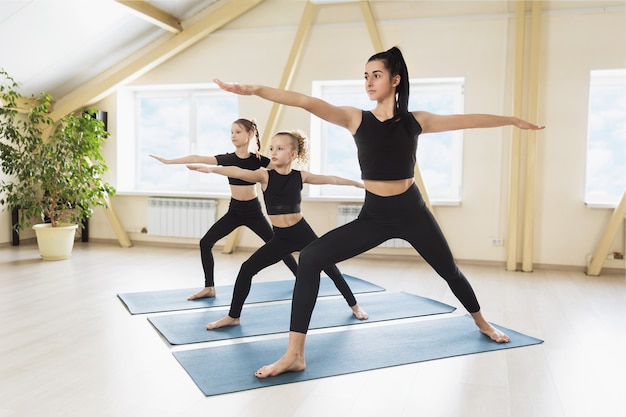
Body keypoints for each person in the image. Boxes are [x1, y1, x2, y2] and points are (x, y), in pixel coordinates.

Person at [214, 46, 545, 378]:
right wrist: (254, 90)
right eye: (366, 76)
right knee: (311, 257)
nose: (369, 82)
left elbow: (469, 120)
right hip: (375, 216)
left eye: (377, 75)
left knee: (450, 271)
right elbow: (306, 101)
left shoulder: (416, 121)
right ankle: (294, 354)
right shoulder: (356, 118)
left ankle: (481, 322)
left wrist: (511, 120)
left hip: (413, 212)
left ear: (395, 80)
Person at [187, 129, 369, 329]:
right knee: (247, 269)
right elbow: (238, 172)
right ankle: (233, 316)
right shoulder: (264, 175)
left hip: (302, 232)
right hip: (281, 237)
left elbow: (331, 179)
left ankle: (355, 305)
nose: (273, 152)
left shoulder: (301, 176)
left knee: (330, 267)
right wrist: (211, 169)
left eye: (280, 148)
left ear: (293, 155)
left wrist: (358, 185)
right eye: (272, 148)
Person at [149, 118, 298, 300]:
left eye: (238, 132)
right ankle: (209, 287)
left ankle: (301, 278)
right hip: (234, 211)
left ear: (249, 134)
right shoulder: (228, 159)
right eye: (232, 132)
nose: (233, 136)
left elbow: (285, 170)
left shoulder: (258, 160)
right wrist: (169, 161)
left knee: (278, 245)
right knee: (205, 243)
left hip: (254, 211)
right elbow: (197, 158)